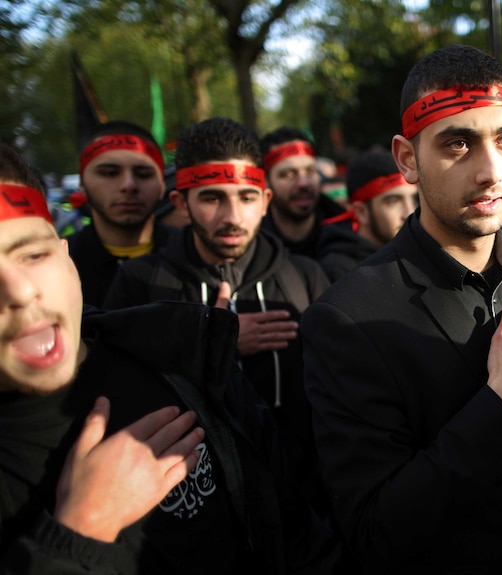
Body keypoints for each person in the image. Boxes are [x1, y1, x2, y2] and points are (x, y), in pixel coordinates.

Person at [300, 44, 502, 574]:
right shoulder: (348, 318)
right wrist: (501, 401)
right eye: (458, 144)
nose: (491, 170)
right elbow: (374, 531)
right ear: (407, 160)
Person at [0, 140, 336, 573]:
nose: (22, 292)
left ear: (65, 257)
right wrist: (77, 533)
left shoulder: (178, 351)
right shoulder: (146, 288)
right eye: (213, 197)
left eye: (33, 254)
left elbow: (287, 520)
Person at [103, 117, 332, 519]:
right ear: (180, 204)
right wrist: (206, 342)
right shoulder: (140, 283)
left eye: (245, 198)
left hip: (300, 504)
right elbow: (119, 394)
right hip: (192, 505)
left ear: (264, 200)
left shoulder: (306, 277)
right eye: (211, 198)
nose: (231, 216)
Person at [67, 121, 177, 307]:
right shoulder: (59, 263)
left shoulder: (196, 256)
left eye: (143, 174)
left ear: (162, 185)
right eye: (110, 173)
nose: (129, 185)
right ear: (82, 185)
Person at [317, 149, 418, 282]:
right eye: (393, 201)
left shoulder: (418, 253)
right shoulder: (339, 271)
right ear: (361, 212)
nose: (409, 212)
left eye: (414, 199)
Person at [259, 127, 346, 259]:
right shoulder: (252, 241)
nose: (303, 183)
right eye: (288, 174)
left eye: (310, 171)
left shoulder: (346, 232)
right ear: (266, 181)